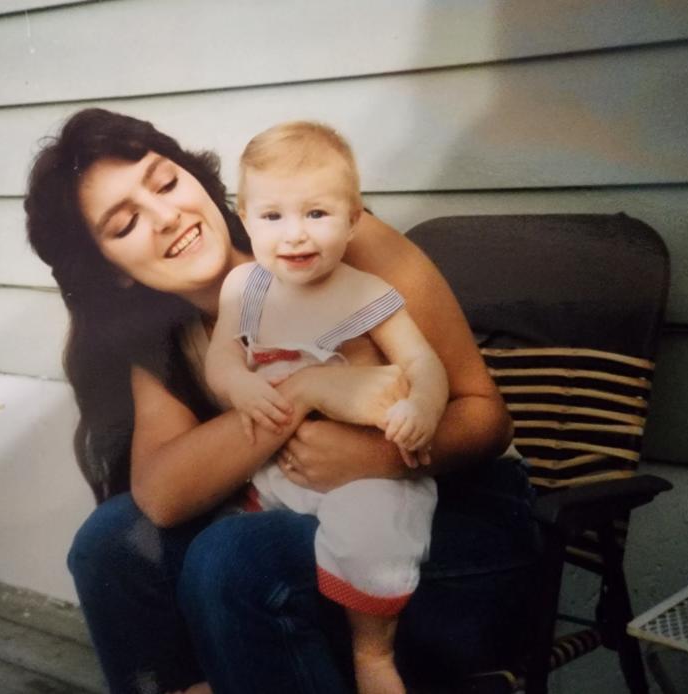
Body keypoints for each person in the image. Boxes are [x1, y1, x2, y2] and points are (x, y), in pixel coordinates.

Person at [24, 108, 541, 694]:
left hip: (455, 520)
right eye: (125, 225)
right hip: (312, 525)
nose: (167, 217)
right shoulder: (165, 337)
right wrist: (305, 390)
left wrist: (374, 455)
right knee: (112, 543)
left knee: (234, 558)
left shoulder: (329, 241)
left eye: (166, 182)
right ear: (111, 271)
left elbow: (485, 416)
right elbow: (161, 496)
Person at [204, 121, 447, 694]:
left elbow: (423, 364)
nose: (295, 236)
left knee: (373, 524)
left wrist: (423, 409)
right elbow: (220, 357)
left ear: (354, 218)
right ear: (245, 217)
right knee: (223, 532)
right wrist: (239, 387)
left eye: (317, 214)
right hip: (279, 471)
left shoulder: (364, 293)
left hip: (357, 467)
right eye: (273, 216)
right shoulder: (246, 288)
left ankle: (373, 653)